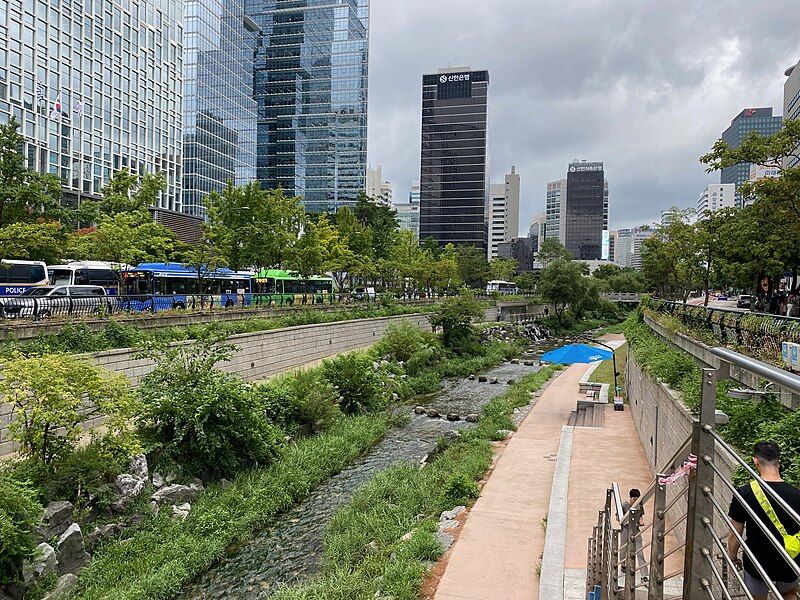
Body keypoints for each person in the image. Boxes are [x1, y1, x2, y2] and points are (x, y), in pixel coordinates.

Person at [728, 441, 800, 600]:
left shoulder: (745, 492)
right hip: (789, 561)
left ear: (755, 461)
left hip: (757, 562)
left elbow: (735, 534)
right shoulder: (796, 494)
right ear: (779, 462)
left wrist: (732, 557)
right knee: (789, 594)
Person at [621, 488, 649, 583]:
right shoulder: (624, 505)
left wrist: (641, 522)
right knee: (623, 549)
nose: (635, 501)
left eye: (637, 499)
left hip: (635, 530)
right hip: (626, 529)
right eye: (634, 499)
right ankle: (622, 564)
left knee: (640, 552)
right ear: (630, 497)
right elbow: (618, 518)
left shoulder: (639, 505)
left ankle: (644, 575)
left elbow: (641, 517)